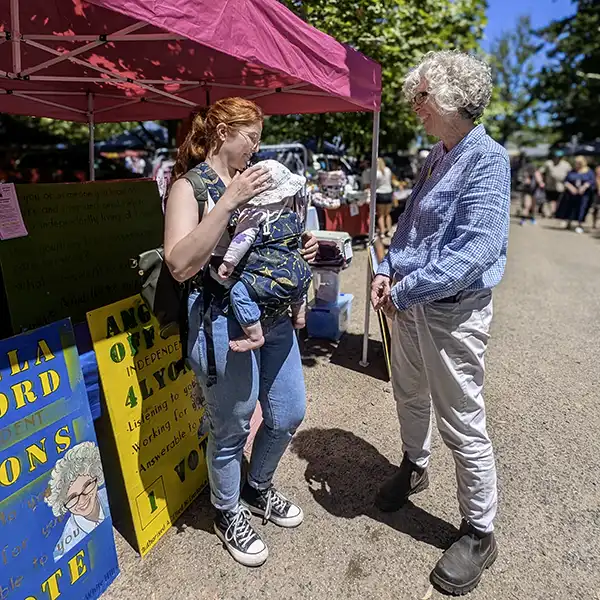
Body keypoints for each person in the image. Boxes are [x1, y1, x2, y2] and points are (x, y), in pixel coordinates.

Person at [371, 51, 510, 595]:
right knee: (408, 392)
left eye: (423, 94)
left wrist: (403, 286)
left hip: (451, 310)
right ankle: (414, 464)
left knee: (462, 419)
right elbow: (409, 225)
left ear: (452, 99)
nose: (415, 103)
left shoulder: (487, 158)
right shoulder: (438, 152)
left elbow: (474, 252)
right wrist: (386, 268)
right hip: (411, 301)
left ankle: (479, 531)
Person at [164, 97, 318, 568]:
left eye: (259, 138)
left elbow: (265, 239)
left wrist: (299, 246)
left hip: (269, 315)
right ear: (221, 132)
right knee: (230, 425)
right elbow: (178, 263)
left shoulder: (256, 181)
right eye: (250, 136)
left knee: (289, 411)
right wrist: (229, 200)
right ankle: (226, 511)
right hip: (219, 319)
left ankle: (257, 487)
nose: (257, 146)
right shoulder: (189, 187)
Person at [217, 159, 312, 352]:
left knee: (238, 294)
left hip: (271, 276)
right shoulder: (292, 215)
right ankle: (299, 314)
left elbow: (241, 240)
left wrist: (228, 263)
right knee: (297, 286)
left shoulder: (253, 216)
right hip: (300, 273)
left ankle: (254, 335)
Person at [44, 442, 110, 562]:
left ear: (96, 476)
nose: (82, 499)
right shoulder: (66, 548)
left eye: (87, 486)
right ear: (62, 503)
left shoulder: (109, 495)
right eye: (72, 498)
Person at [557, 155, 596, 233]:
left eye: (579, 163)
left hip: (584, 194)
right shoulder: (572, 171)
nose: (577, 165)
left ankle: (579, 223)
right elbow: (566, 180)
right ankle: (568, 222)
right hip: (571, 193)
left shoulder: (589, 172)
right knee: (569, 207)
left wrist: (585, 186)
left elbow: (592, 181)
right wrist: (570, 187)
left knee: (582, 208)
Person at [538, 151, 571, 217]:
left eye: (559, 157)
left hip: (561, 187)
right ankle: (550, 212)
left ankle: (554, 212)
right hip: (549, 186)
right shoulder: (548, 163)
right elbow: (540, 172)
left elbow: (571, 174)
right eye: (556, 157)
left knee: (557, 201)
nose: (557, 158)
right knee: (549, 200)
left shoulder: (566, 165)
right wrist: (541, 182)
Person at [517, 153, 542, 225]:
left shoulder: (528, 169)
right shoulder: (529, 170)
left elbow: (538, 179)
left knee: (530, 206)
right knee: (529, 205)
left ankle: (528, 219)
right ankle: (527, 219)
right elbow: (538, 178)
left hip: (531, 190)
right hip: (530, 190)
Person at [593, 165, 600, 230]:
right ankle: (594, 223)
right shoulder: (598, 168)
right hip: (598, 191)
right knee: (596, 208)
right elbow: (597, 178)